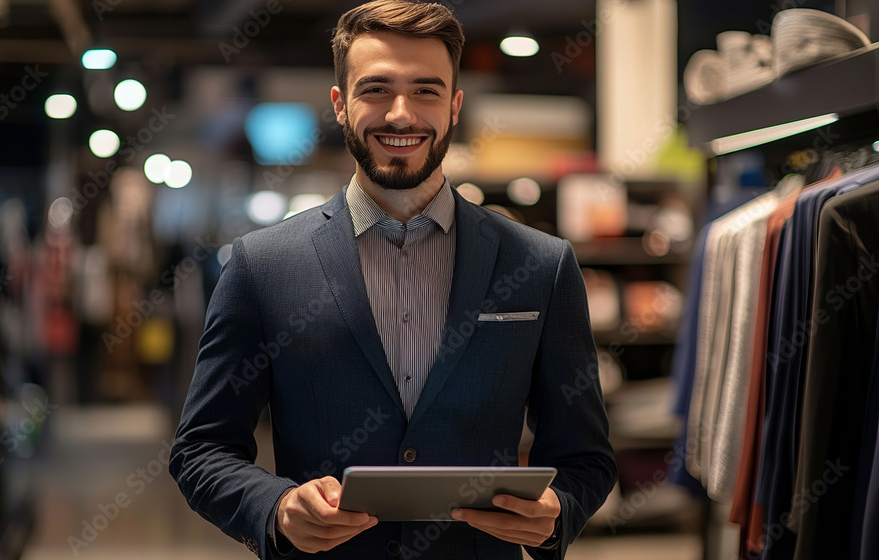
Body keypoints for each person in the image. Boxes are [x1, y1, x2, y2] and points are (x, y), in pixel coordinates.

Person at [169, 1, 616, 558]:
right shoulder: (263, 266)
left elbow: (587, 457)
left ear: (454, 107)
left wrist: (559, 512)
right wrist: (276, 508)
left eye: (426, 91)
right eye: (376, 89)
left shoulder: (540, 266)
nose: (401, 114)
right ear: (340, 104)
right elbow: (201, 450)